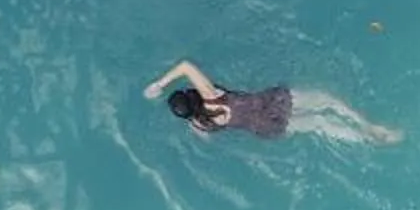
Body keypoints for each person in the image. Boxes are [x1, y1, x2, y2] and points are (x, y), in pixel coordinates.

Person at [143, 59, 401, 145]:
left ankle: (367, 140)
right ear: (192, 94)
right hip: (267, 102)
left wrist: (194, 124)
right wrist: (159, 84)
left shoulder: (201, 124)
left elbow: (206, 137)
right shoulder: (211, 95)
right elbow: (186, 66)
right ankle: (370, 127)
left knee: (321, 124)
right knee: (328, 102)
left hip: (264, 127)